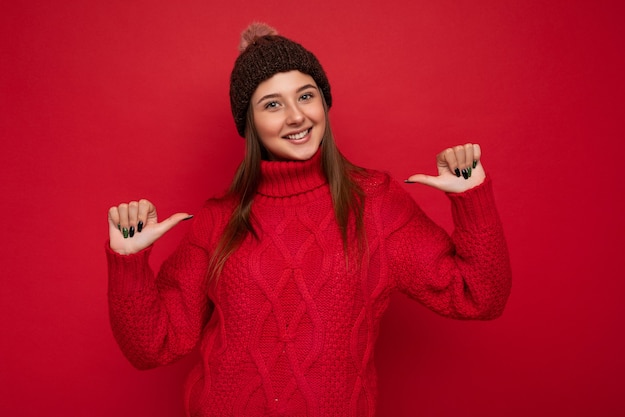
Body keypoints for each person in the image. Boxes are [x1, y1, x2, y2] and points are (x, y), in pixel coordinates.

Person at [106, 22, 511, 417]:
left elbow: (479, 295)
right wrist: (129, 263)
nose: (296, 116)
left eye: (306, 95)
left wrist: (471, 201)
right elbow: (152, 347)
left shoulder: (375, 203)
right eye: (272, 104)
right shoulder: (218, 219)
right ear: (249, 122)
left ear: (323, 101)